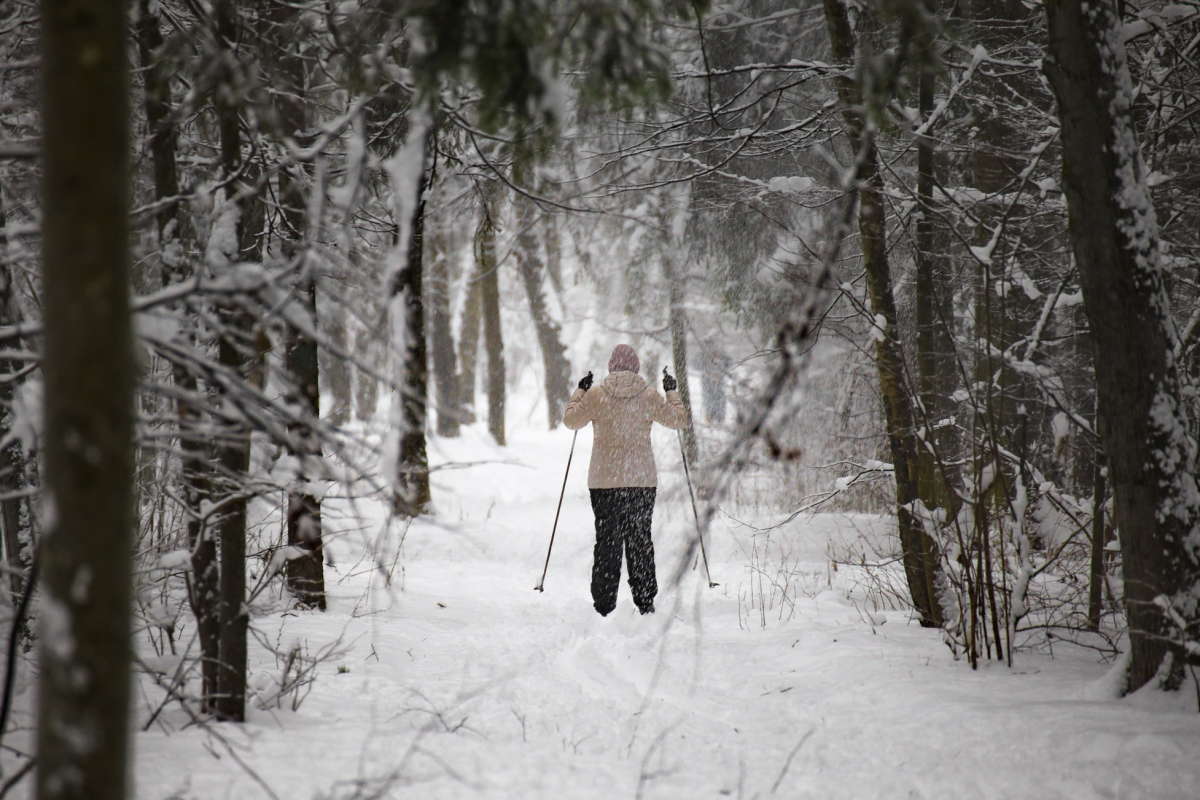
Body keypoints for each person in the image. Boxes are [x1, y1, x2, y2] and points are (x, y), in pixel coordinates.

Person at [563, 344, 688, 616]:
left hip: (604, 483)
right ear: (636, 368)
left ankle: (604, 605)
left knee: (607, 541)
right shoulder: (649, 396)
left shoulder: (596, 395)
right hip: (640, 481)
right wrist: (671, 391)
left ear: (611, 367)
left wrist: (580, 391)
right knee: (639, 539)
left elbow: (571, 421)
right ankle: (645, 601)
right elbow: (679, 420)